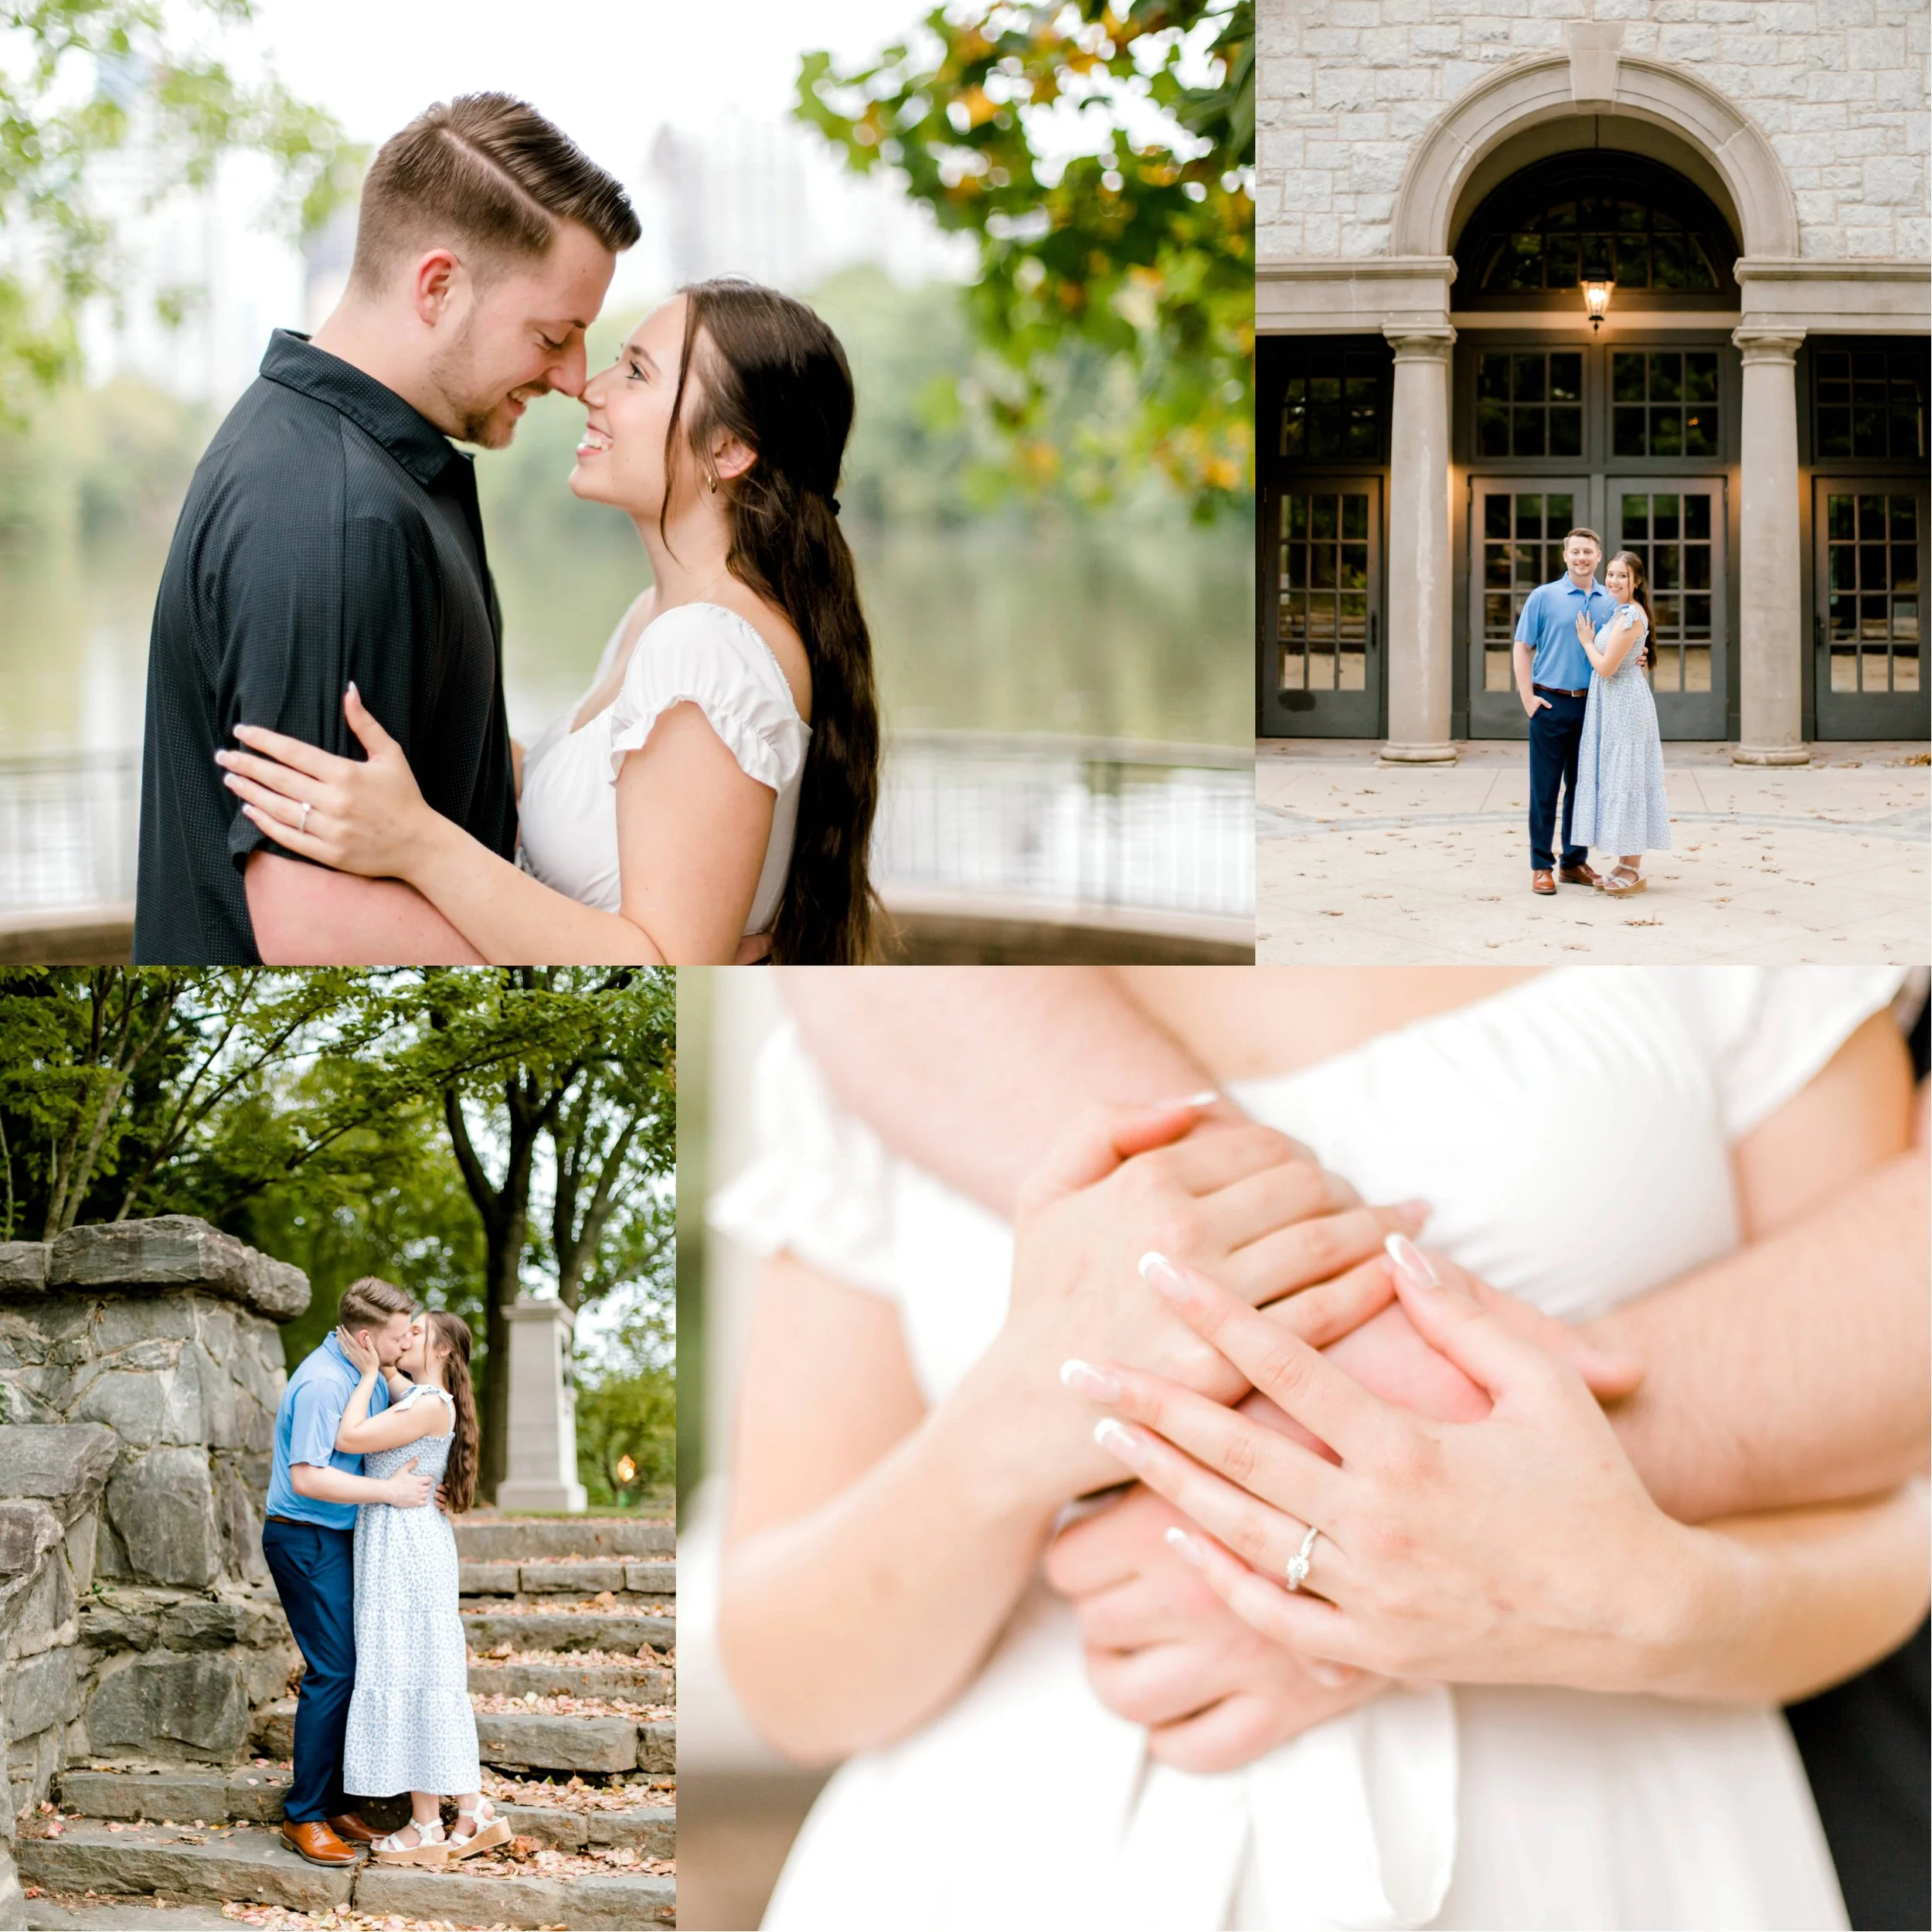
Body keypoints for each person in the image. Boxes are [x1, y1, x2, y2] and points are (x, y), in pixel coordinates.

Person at [709, 966, 1929, 1930]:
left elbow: (1887, 1515)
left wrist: (1593, 1589)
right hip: (1014, 1867)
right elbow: (790, 1676)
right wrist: (1015, 1422)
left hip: (1612, 1857)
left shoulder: (1738, 946)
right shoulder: (884, 1016)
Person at [211, 278, 882, 964]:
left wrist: (417, 842)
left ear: (730, 450)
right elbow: (594, 795)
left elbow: (667, 971)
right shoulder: (658, 618)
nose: (591, 387)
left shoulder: (706, 650)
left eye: (637, 373)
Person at [134, 94, 636, 968]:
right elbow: (308, 917)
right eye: (553, 335)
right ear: (438, 286)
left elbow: (447, 763)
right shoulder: (338, 520)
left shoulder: (366, 466)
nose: (572, 376)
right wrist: (628, 965)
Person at [260, 1278, 434, 1870]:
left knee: (354, 1666)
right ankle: (303, 1815)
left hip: (340, 1536)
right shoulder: (320, 1383)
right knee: (333, 1670)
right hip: (304, 1536)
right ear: (366, 1338)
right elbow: (307, 1477)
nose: (409, 1338)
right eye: (399, 1333)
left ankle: (333, 1803)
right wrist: (388, 1492)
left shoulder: (362, 1372)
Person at [336, 1311, 509, 1866]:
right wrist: (379, 1361)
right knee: (407, 1671)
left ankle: (449, 1816)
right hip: (394, 1540)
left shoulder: (432, 1403)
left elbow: (350, 1436)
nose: (405, 1338)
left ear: (444, 1351)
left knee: (418, 1673)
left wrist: (365, 1375)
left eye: (416, 1332)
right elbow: (396, 1383)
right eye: (403, 1330)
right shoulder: (418, 1397)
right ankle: (438, 1817)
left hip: (407, 1547)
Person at [1511, 528, 1620, 896]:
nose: (1581, 558)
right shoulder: (1544, 597)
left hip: (1593, 706)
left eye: (1588, 552)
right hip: (1550, 703)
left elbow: (1627, 643)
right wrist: (1528, 698)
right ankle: (1541, 865)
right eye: (1575, 552)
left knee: (1583, 788)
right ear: (1565, 556)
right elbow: (1522, 646)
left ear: (1598, 557)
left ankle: (1573, 862)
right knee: (1544, 789)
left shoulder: (1611, 600)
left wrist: (1639, 655)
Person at [1572, 549, 1672, 895]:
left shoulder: (1630, 616)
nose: (1613, 580)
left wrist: (1587, 641)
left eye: (1621, 576)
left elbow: (1605, 667)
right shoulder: (1621, 613)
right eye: (1611, 574)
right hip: (1614, 705)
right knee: (1619, 779)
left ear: (1637, 581)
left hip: (1626, 707)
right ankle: (1624, 861)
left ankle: (1633, 867)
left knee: (1628, 781)